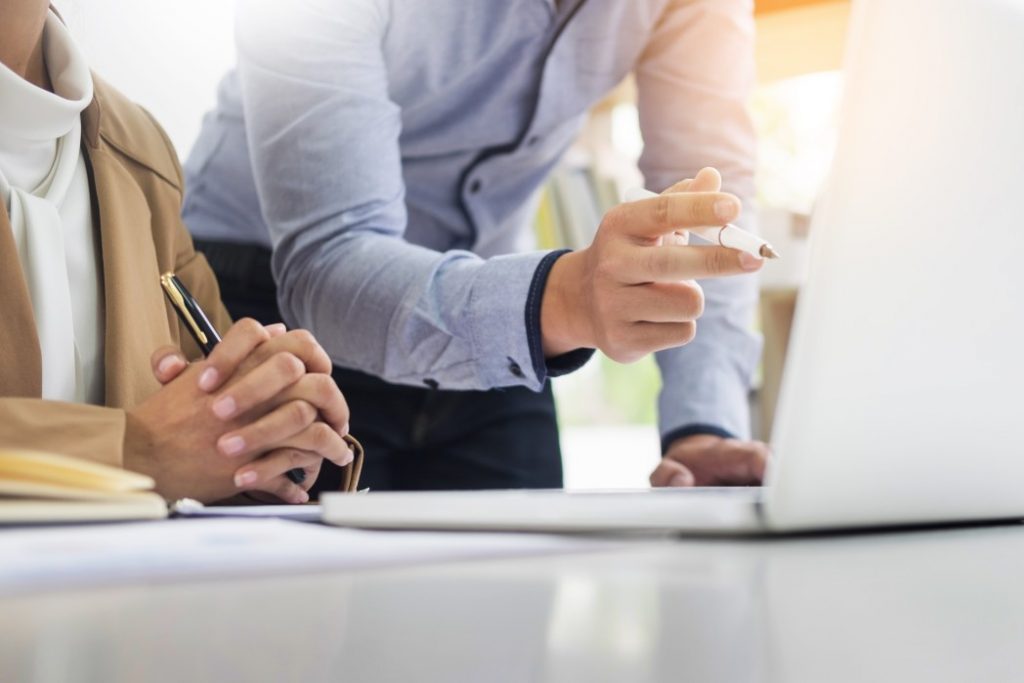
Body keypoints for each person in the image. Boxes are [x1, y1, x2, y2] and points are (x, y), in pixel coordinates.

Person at [183, 0, 769, 493]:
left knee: (514, 610)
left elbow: (717, 209)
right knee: (294, 620)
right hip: (264, 305)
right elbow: (329, 259)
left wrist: (704, 428)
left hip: (496, 313)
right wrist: (565, 302)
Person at [0, 2, 360, 504]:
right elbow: (160, 450)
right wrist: (136, 452)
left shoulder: (141, 149)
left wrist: (268, 428)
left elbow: (217, 437)